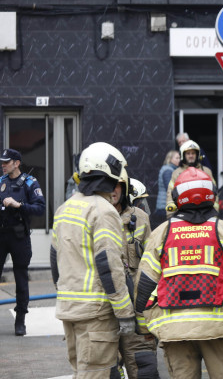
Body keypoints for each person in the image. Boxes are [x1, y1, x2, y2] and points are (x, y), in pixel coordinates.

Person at [134, 167, 223, 378]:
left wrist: (144, 328)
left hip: (174, 331)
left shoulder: (161, 234)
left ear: (177, 198)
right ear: (212, 196)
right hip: (218, 328)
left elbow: (144, 284)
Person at [51, 142, 135, 378]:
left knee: (81, 372)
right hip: (96, 316)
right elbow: (109, 265)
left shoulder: (64, 209)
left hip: (69, 311)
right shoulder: (103, 211)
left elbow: (54, 260)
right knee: (95, 374)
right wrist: (125, 312)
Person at [115, 176, 159, 379]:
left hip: (135, 310)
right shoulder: (93, 216)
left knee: (144, 368)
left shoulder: (141, 218)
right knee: (106, 370)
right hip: (104, 313)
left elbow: (152, 264)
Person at [0, 148, 45, 336]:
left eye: (6, 162)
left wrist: (19, 205)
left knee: (21, 280)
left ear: (16, 163)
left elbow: (40, 208)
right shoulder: (1, 182)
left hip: (19, 237)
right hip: (1, 236)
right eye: (2, 162)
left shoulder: (29, 182)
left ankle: (20, 321)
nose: (3, 165)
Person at [164, 140, 215, 218]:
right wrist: (170, 215)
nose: (191, 156)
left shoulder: (206, 171)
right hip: (183, 213)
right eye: (188, 153)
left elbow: (214, 193)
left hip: (205, 213)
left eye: (193, 153)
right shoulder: (177, 173)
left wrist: (214, 213)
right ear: (183, 155)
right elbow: (170, 194)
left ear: (198, 155)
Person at [151, 150, 179, 229]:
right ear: (170, 159)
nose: (179, 160)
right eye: (176, 158)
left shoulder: (169, 169)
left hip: (163, 206)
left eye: (179, 158)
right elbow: (169, 188)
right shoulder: (168, 170)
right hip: (164, 207)